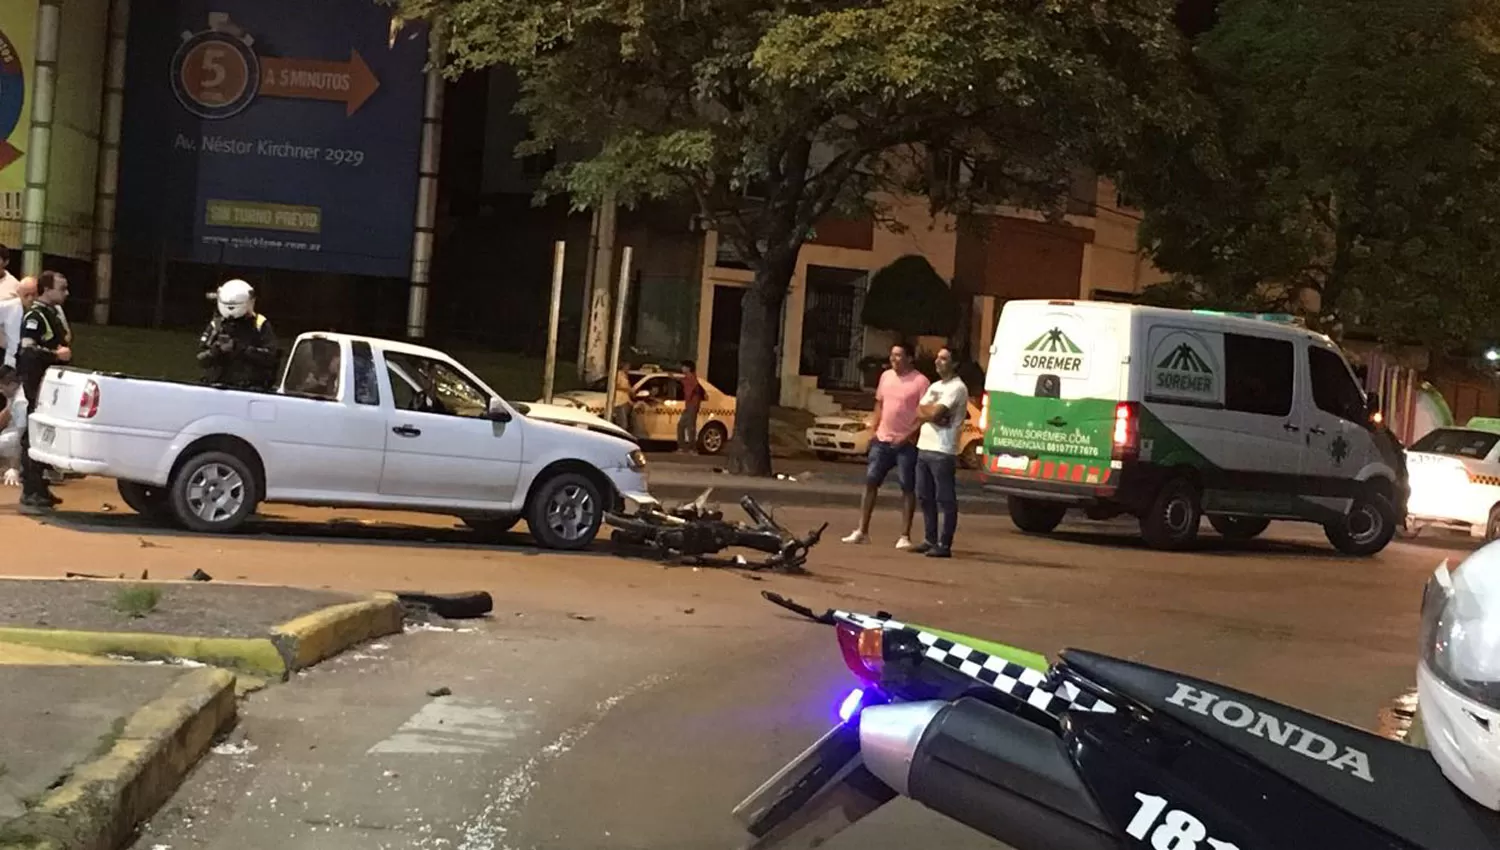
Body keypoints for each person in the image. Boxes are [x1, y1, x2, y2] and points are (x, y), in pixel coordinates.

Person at [843, 342, 931, 549]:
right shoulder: (886, 377)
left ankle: (904, 535)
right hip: (882, 440)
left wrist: (910, 435)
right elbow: (879, 404)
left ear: (910, 358)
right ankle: (862, 530)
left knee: (907, 487)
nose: (894, 359)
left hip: (906, 443)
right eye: (892, 355)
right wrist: (874, 430)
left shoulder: (920, 382)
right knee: (871, 482)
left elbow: (924, 414)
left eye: (899, 355)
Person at [16, 271, 71, 508]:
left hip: (49, 383)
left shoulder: (52, 314)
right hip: (36, 383)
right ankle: (30, 488)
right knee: (33, 434)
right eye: (62, 288)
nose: (66, 293)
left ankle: (40, 486)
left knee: (43, 434)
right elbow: (27, 349)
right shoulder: (35, 316)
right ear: (47, 289)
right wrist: (55, 355)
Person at [910, 347, 969, 558]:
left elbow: (935, 412)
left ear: (954, 364)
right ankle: (929, 538)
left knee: (945, 498)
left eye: (944, 359)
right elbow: (918, 410)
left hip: (943, 449)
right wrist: (931, 414)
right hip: (924, 446)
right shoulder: (935, 386)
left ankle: (945, 543)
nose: (938, 361)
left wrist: (932, 413)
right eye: (938, 357)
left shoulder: (957, 388)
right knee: (924, 496)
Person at [197, 279, 278, 390]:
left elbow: (270, 358)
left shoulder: (259, 323)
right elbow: (201, 360)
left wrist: (239, 348)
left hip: (249, 388)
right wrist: (217, 350)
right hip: (216, 387)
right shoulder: (217, 324)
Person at [0, 275, 36, 369]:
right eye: (26, 295)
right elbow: (13, 341)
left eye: (34, 294)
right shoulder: (10, 308)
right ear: (19, 294)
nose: (30, 299)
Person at [0, 366, 24, 488]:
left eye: (2, 387)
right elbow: (6, 414)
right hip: (11, 435)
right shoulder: (13, 395)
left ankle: (19, 467)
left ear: (12, 384)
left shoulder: (21, 402)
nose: (1, 391)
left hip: (18, 441)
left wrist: (14, 467)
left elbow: (21, 437)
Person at [677, 359, 707, 453]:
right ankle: (684, 447)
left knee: (689, 427)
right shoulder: (689, 377)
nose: (682, 368)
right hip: (690, 405)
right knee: (683, 426)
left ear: (688, 368)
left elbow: (693, 390)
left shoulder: (691, 378)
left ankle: (691, 448)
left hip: (692, 405)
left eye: (683, 366)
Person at [612, 365, 635, 433]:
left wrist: (631, 392)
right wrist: (627, 389)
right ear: (623, 366)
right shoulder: (619, 374)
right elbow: (615, 385)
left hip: (626, 401)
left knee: (626, 423)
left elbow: (629, 388)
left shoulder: (625, 376)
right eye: (627, 367)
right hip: (619, 402)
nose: (628, 368)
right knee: (623, 424)